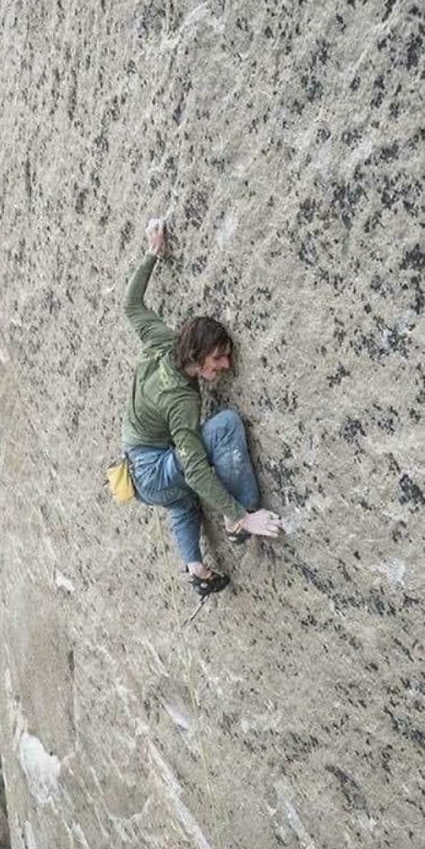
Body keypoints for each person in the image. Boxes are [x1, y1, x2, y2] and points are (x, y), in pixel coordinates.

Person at [122, 217, 283, 596]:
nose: (225, 366)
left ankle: (197, 569)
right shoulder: (181, 400)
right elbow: (194, 468)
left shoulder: (163, 340)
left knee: (182, 503)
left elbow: (131, 305)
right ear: (195, 355)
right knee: (225, 425)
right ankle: (240, 522)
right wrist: (240, 515)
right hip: (152, 469)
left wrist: (152, 254)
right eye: (218, 359)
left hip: (138, 470)